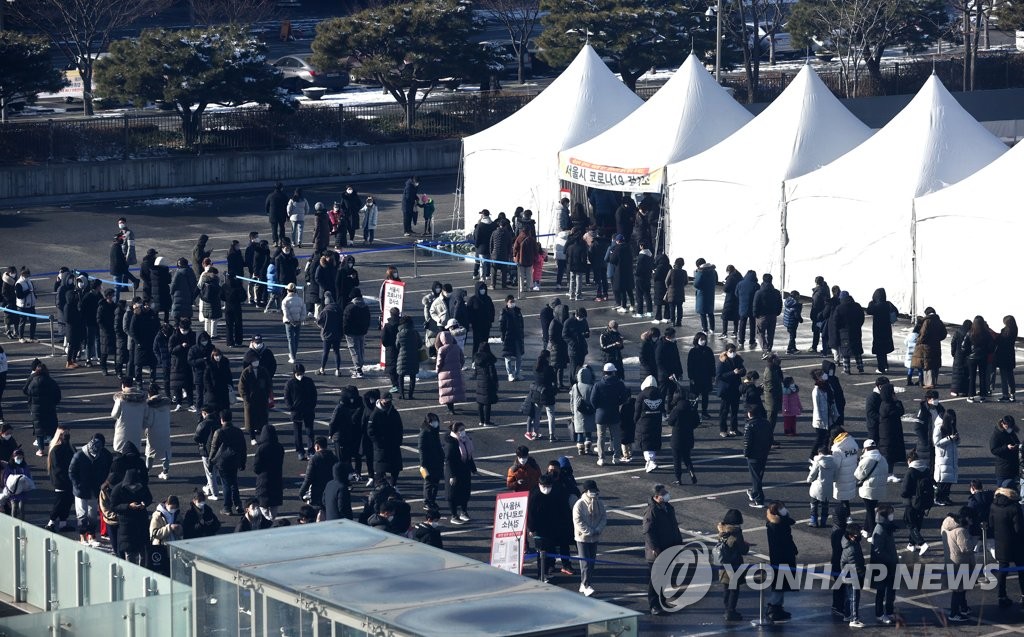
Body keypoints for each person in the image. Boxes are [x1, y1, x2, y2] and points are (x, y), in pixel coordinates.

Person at [643, 484, 683, 615]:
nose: (666, 494)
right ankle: (654, 604)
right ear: (656, 497)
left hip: (669, 548)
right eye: (663, 493)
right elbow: (648, 532)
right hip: (657, 552)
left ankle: (662, 600)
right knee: (655, 579)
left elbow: (674, 528)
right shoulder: (651, 511)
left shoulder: (668, 508)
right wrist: (655, 548)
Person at [69, 433, 112, 546]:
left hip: (94, 489)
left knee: (92, 514)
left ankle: (91, 535)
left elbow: (106, 470)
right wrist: (77, 485)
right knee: (82, 514)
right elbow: (71, 472)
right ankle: (83, 536)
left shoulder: (102, 455)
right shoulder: (79, 456)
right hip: (81, 491)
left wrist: (103, 483)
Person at [988, 485, 1024, 607]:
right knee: (1021, 570)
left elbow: (991, 524)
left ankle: (1001, 595)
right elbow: (1018, 529)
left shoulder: (993, 505)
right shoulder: (1015, 507)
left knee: (1002, 570)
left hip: (1001, 544)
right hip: (1017, 544)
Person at [109, 469, 152, 564]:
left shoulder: (142, 486)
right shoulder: (118, 489)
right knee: (129, 551)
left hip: (141, 522)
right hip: (126, 524)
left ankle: (143, 570)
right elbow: (113, 506)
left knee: (143, 551)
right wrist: (128, 506)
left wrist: (144, 504)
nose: (134, 487)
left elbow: (149, 498)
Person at [940, 506, 975, 622]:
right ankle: (955, 612)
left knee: (959, 588)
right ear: (967, 518)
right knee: (959, 590)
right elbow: (966, 548)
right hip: (961, 562)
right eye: (971, 519)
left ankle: (963, 608)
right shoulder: (961, 531)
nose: (972, 521)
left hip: (951, 560)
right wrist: (974, 540)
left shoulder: (946, 526)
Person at [764, 501, 797, 623]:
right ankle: (773, 609)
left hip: (783, 558)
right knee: (779, 586)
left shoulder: (778, 523)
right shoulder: (775, 525)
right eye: (782, 508)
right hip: (781, 559)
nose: (784, 510)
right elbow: (784, 540)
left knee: (781, 586)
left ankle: (778, 608)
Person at [573, 479, 607, 597]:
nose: (594, 492)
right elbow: (578, 521)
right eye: (591, 490)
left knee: (591, 562)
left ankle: (584, 583)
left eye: (595, 490)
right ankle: (586, 585)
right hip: (582, 538)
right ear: (586, 491)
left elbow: (603, 517)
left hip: (594, 538)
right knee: (585, 563)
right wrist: (589, 531)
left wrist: (597, 530)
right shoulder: (579, 504)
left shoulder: (599, 502)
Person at [209, 410, 246, 516]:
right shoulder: (238, 431)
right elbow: (243, 448)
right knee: (234, 483)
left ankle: (227, 507)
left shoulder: (219, 432)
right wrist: (242, 462)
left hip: (222, 462)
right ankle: (238, 505)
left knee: (226, 484)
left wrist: (210, 462)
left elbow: (213, 448)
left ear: (221, 420)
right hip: (234, 460)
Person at [593, 363, 628, 467]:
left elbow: (593, 400)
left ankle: (601, 458)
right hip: (614, 413)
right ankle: (616, 457)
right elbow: (624, 397)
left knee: (601, 437)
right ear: (613, 372)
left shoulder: (598, 385)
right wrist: (617, 403)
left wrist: (599, 407)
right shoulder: (619, 384)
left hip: (601, 414)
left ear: (604, 372)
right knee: (616, 436)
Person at [717, 508, 750, 621]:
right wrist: (746, 545)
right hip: (734, 565)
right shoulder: (736, 533)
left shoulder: (722, 531)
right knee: (734, 590)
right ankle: (731, 611)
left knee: (726, 588)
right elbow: (742, 550)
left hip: (724, 565)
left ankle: (727, 608)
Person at [902, 449, 933, 555]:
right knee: (918, 523)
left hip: (912, 502)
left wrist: (905, 496)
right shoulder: (926, 469)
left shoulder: (910, 471)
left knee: (909, 522)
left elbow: (904, 490)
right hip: (924, 501)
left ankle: (922, 543)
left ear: (909, 460)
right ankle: (911, 543)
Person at [367, 393, 403, 485]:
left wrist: (398, 440)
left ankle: (393, 485)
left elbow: (399, 427)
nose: (388, 403)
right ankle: (380, 486)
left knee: (395, 467)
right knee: (380, 469)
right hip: (381, 447)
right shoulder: (375, 414)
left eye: (389, 401)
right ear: (381, 400)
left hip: (393, 445)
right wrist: (378, 443)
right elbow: (370, 431)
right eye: (386, 401)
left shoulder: (393, 412)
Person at [854, 439, 888, 536]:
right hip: (879, 488)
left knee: (870, 511)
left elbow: (858, 475)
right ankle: (866, 529)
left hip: (868, 488)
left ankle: (873, 533)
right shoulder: (882, 458)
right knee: (871, 508)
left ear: (865, 448)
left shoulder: (866, 459)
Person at [238, 351, 272, 445]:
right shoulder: (246, 372)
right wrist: (246, 398)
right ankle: (252, 437)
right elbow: (241, 387)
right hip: (250, 400)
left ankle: (263, 436)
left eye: (257, 360)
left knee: (262, 418)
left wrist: (267, 394)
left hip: (262, 399)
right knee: (250, 419)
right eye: (254, 360)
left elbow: (268, 384)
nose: (256, 362)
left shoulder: (263, 371)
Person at [444, 422, 476, 525]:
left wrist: (473, 468)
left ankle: (464, 512)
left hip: (464, 470)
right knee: (453, 494)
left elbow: (469, 455)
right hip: (454, 472)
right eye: (461, 430)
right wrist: (452, 475)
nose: (463, 432)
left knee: (465, 492)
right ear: (455, 432)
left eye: (464, 429)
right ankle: (454, 515)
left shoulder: (466, 440)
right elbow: (449, 461)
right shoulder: (451, 444)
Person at [284, 364, 318, 460]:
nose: (300, 375)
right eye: (298, 373)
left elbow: (314, 395)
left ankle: (311, 451)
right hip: (296, 412)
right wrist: (291, 407)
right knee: (297, 433)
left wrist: (312, 406)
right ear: (294, 373)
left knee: (310, 432)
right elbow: (287, 397)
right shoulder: (290, 384)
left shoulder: (309, 381)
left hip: (308, 410)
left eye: (302, 373)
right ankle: (300, 451)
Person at [253, 424, 284, 521]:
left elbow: (256, 467)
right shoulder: (279, 447)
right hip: (276, 478)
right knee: (274, 504)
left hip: (263, 479)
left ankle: (267, 520)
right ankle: (272, 519)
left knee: (263, 504)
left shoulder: (261, 448)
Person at [45, 429, 74, 532]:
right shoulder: (56, 450)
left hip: (68, 480)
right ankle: (51, 522)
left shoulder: (68, 447)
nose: (66, 436)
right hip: (60, 480)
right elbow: (59, 466)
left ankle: (63, 523)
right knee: (60, 502)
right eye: (63, 434)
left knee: (67, 501)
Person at [299, 437, 338, 513]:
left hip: (318, 493)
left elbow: (308, 479)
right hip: (331, 490)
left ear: (317, 446)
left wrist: (301, 492)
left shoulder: (314, 459)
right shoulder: (334, 457)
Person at [744, 405, 771, 508]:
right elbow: (770, 438)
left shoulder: (750, 425)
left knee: (755, 477)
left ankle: (758, 499)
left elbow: (747, 442)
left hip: (753, 455)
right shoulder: (766, 423)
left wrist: (746, 453)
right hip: (763, 453)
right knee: (759, 475)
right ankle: (754, 493)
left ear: (750, 413)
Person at [144, 383, 173, 480]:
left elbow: (149, 422)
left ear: (149, 394)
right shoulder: (166, 404)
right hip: (165, 430)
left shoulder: (150, 406)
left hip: (153, 431)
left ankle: (147, 470)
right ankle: (166, 471)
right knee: (165, 452)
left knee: (150, 452)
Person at [877, 383, 906, 482]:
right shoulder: (889, 406)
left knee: (887, 454)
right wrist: (897, 400)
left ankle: (888, 473)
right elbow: (900, 411)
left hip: (886, 434)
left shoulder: (884, 404)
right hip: (890, 434)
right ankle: (889, 474)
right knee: (889, 455)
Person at [636, 376, 664, 473]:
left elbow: (637, 411)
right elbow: (662, 408)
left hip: (644, 422)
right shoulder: (660, 394)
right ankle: (650, 462)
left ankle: (651, 462)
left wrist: (635, 420)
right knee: (653, 442)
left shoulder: (641, 395)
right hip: (656, 422)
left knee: (645, 443)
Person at [914, 307, 948, 389]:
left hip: (927, 346)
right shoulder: (939, 321)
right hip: (936, 345)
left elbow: (923, 334)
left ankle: (929, 383)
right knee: (935, 363)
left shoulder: (927, 321)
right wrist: (937, 338)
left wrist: (918, 341)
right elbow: (944, 333)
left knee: (928, 364)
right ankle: (935, 381)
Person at [840, 522, 867, 628]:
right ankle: (854, 619)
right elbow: (856, 565)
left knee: (849, 596)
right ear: (851, 536)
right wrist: (862, 573)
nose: (859, 536)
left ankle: (847, 615)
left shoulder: (849, 543)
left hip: (848, 574)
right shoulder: (852, 548)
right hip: (853, 575)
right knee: (855, 597)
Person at [964, 315, 995, 402]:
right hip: (983, 357)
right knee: (983, 377)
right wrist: (987, 352)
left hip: (972, 358)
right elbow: (992, 345)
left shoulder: (970, 332)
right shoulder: (986, 333)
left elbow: (964, 346)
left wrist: (968, 354)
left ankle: (971, 396)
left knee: (972, 377)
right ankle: (982, 396)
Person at [111, 378, 146, 454]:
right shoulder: (141, 399)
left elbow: (114, 415)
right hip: (136, 431)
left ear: (123, 385)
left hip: (122, 431)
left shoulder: (120, 400)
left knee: (120, 453)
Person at [716, 343, 745, 437]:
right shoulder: (722, 361)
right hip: (726, 389)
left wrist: (741, 372)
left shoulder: (738, 359)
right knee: (724, 410)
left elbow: (743, 370)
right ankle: (723, 430)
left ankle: (733, 428)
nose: (732, 353)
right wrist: (733, 373)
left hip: (735, 389)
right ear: (726, 351)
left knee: (734, 411)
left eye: (734, 351)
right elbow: (720, 376)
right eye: (730, 351)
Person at [933, 410, 960, 506]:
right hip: (943, 458)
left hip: (951, 457)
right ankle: (938, 498)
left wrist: (956, 439)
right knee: (943, 480)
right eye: (951, 419)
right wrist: (949, 438)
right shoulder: (939, 428)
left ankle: (945, 497)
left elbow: (957, 443)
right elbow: (936, 443)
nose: (953, 421)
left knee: (949, 480)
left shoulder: (952, 427)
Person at [418, 413, 445, 512]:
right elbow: (421, 449)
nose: (435, 423)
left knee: (436, 482)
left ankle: (432, 500)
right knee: (429, 483)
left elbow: (438, 445)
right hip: (428, 462)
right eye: (433, 421)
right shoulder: (424, 433)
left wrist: (442, 455)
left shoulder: (434, 430)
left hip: (437, 461)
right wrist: (423, 464)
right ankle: (427, 502)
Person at [753, 273, 783, 357]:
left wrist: (755, 314)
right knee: (771, 333)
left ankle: (765, 350)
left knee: (760, 333)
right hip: (773, 315)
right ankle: (769, 349)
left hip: (761, 316)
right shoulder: (776, 292)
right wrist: (778, 312)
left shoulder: (759, 292)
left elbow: (755, 304)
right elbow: (780, 303)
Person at [436, 330, 465, 416]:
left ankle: (450, 408)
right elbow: (462, 359)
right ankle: (452, 407)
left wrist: (437, 370)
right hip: (456, 370)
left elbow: (439, 362)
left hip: (444, 372)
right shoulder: (456, 347)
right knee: (454, 390)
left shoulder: (442, 349)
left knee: (447, 391)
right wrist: (459, 367)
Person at [687, 332, 715, 420]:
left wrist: (713, 375)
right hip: (696, 378)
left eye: (704, 339)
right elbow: (689, 366)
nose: (703, 341)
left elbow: (712, 364)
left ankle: (704, 412)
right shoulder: (693, 351)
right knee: (694, 397)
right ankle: (694, 413)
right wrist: (691, 377)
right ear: (697, 340)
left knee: (705, 396)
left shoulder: (708, 350)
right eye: (701, 339)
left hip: (706, 377)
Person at [807, 445, 836, 527]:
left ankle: (813, 521)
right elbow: (835, 475)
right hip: (828, 487)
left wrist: (809, 480)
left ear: (819, 453)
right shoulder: (833, 462)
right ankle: (823, 522)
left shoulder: (817, 462)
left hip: (817, 486)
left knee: (814, 503)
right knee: (825, 505)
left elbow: (813, 473)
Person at [395, 316, 422, 399]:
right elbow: (420, 344)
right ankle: (410, 395)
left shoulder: (399, 334)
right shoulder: (415, 332)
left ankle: (402, 394)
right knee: (412, 376)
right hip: (413, 356)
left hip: (402, 357)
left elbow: (397, 345)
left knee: (401, 376)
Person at [500, 295, 525, 382]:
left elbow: (521, 323)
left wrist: (522, 334)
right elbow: (502, 326)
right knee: (508, 356)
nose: (512, 303)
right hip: (508, 337)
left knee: (519, 356)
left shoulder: (518, 311)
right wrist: (503, 337)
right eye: (511, 302)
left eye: (513, 301)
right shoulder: (504, 312)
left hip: (517, 337)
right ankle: (510, 373)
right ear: (507, 303)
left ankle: (517, 373)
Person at [474, 343, 499, 427]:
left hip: (480, 382)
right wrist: (495, 383)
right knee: (487, 403)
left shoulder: (477, 359)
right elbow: (492, 373)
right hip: (488, 382)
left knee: (480, 402)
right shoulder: (489, 359)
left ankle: (481, 420)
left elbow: (476, 372)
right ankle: (487, 421)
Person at [990, 415, 1020, 486]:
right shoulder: (996, 435)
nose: (1010, 428)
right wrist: (1006, 448)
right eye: (1008, 426)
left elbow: (1016, 442)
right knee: (1002, 489)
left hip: (1013, 467)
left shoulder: (1011, 432)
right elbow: (994, 450)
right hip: (1003, 469)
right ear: (1002, 424)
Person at [280, 282, 305, 364]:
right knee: (296, 339)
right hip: (298, 321)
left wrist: (291, 321)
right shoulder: (300, 300)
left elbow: (286, 313)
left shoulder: (285, 301)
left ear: (288, 290)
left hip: (289, 322)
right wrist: (300, 319)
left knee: (290, 340)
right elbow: (303, 311)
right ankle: (293, 354)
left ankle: (293, 357)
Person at [995, 315, 1017, 402]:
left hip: (1003, 356)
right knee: (1010, 376)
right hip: (1010, 356)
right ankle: (1012, 394)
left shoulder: (1004, 331)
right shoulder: (1014, 329)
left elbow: (998, 341)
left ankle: (1005, 395)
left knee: (1004, 377)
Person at [693, 258, 718, 334]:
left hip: (702, 294)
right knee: (710, 312)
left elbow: (696, 284)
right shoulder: (713, 271)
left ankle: (705, 329)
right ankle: (712, 328)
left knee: (702, 312)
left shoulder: (700, 272)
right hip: (710, 293)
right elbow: (716, 281)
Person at [664, 258, 687, 327]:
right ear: (682, 264)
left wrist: (668, 287)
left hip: (671, 291)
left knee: (672, 308)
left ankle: (673, 321)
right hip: (680, 292)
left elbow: (666, 281)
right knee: (680, 307)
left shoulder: (671, 271)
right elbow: (686, 282)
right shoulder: (684, 272)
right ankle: (679, 321)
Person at [633, 242, 654, 318]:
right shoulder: (650, 255)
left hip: (640, 278)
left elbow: (638, 268)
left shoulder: (641, 256)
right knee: (647, 295)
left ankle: (640, 312)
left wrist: (635, 273)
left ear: (641, 246)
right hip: (647, 277)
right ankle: (650, 311)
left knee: (639, 296)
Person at [782, 290, 803, 355]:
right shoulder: (795, 304)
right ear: (796, 296)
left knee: (792, 336)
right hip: (792, 322)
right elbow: (796, 315)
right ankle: (789, 349)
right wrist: (800, 320)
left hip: (787, 322)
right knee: (792, 336)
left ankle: (793, 348)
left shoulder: (788, 301)